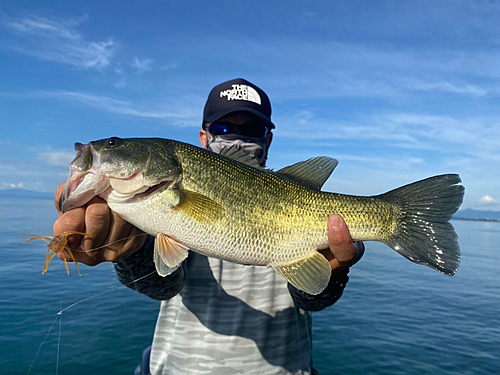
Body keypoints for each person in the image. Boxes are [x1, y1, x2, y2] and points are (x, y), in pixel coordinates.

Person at [53, 78, 364, 375]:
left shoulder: (299, 196)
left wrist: (335, 270)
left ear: (268, 138)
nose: (238, 138)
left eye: (252, 128)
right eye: (224, 127)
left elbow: (314, 298)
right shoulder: (149, 205)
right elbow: (162, 286)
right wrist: (129, 251)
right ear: (204, 137)